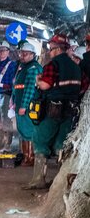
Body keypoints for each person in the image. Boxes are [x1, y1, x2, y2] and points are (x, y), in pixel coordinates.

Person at [23, 34, 81, 189]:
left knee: (41, 142)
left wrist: (38, 81)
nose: (49, 51)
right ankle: (60, 183)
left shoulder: (52, 65)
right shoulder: (76, 67)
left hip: (52, 109)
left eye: (50, 48)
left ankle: (38, 180)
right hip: (70, 110)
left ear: (56, 49)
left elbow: (46, 86)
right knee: (61, 143)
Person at [10, 41, 42, 166]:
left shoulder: (33, 68)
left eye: (26, 54)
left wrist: (24, 106)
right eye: (21, 53)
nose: (22, 56)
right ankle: (25, 156)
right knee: (22, 130)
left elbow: (29, 89)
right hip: (20, 103)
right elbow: (17, 86)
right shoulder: (23, 67)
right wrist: (13, 101)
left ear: (32, 55)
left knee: (28, 131)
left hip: (29, 105)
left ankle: (31, 157)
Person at [0, 40, 17, 153]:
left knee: (6, 120)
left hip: (5, 94)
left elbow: (12, 81)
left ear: (8, 52)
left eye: (4, 50)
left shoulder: (12, 65)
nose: (1, 53)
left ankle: (7, 145)